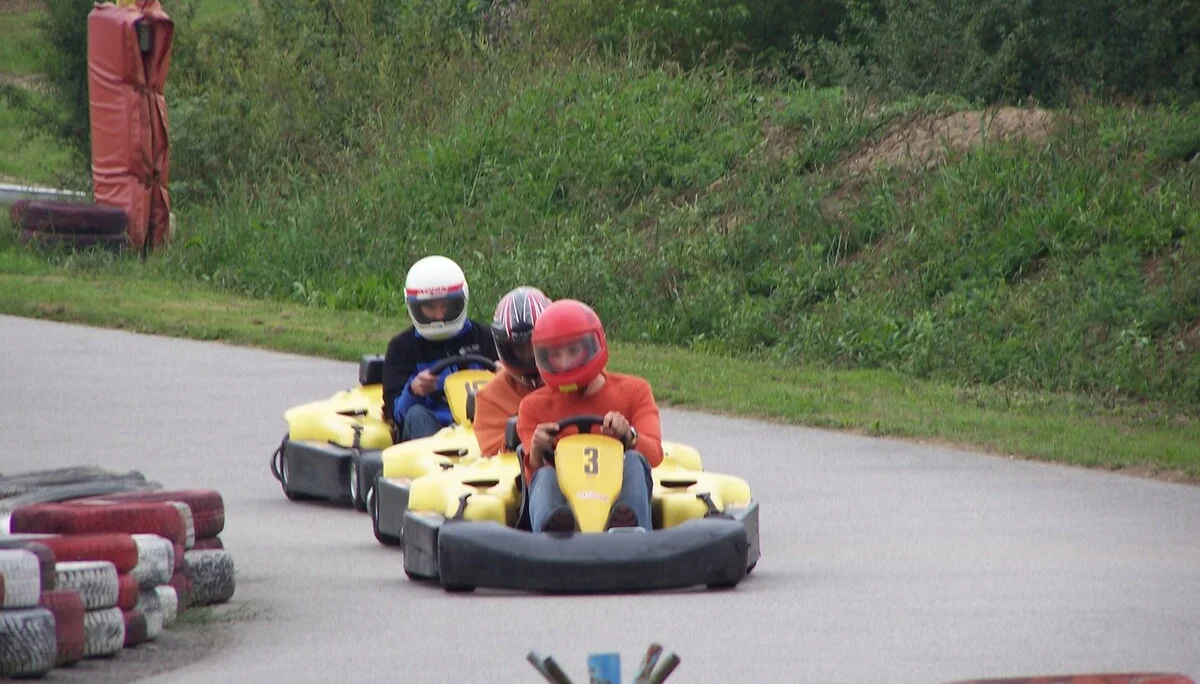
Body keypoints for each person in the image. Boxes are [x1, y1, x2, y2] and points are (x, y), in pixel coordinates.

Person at [516, 299, 663, 532]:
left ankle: (628, 526)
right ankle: (552, 533)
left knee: (635, 461)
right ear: (543, 357)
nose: (564, 362)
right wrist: (536, 450)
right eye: (555, 354)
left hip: (615, 497)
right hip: (565, 503)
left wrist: (629, 436)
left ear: (592, 346)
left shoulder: (635, 391)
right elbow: (529, 476)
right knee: (543, 475)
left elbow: (654, 455)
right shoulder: (532, 407)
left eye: (573, 351)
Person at [382, 255, 498, 442]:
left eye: (446, 305)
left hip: (484, 426)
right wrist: (414, 391)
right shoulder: (402, 348)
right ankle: (438, 466)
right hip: (432, 433)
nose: (439, 315)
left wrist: (506, 375)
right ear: (415, 306)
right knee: (416, 414)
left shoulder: (486, 338)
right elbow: (397, 414)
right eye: (430, 307)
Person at [472, 286, 553, 457]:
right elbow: (493, 454)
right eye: (518, 348)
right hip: (523, 478)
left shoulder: (581, 378)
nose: (528, 355)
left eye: (533, 345)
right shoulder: (491, 396)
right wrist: (522, 434)